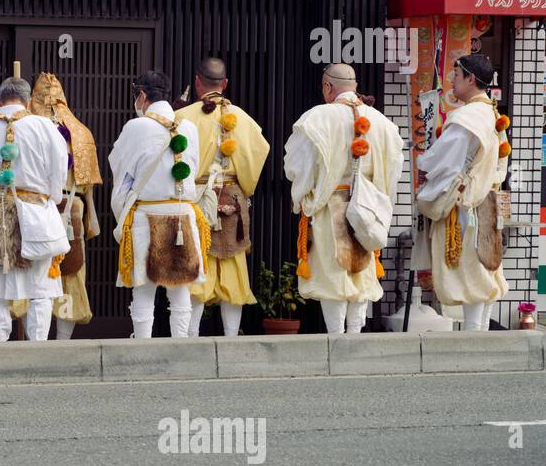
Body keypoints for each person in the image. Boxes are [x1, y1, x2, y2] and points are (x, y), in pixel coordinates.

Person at [284, 63, 403, 334]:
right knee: (361, 273)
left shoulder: (317, 117)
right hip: (368, 206)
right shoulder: (382, 122)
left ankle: (336, 336)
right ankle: (355, 335)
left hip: (330, 203)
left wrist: (304, 195)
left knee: (332, 274)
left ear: (327, 86)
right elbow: (395, 165)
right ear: (355, 86)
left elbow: (296, 165)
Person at [0, 76, 69, 342]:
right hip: (37, 211)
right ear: (29, 101)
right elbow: (59, 171)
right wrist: (51, 197)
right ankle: (38, 346)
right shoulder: (45, 127)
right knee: (40, 288)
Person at [175, 58, 270, 337]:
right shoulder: (242, 117)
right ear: (225, 84)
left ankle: (189, 338)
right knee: (233, 267)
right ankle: (231, 337)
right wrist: (245, 188)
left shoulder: (184, 117)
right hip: (232, 198)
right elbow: (260, 150)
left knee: (195, 265)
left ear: (197, 82)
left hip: (196, 195)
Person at [416, 54, 510, 331]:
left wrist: (423, 164)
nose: (452, 81)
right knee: (483, 267)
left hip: (466, 205)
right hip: (487, 202)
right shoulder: (492, 114)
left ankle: (472, 335)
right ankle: (478, 330)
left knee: (470, 270)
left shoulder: (468, 117)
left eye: (456, 75)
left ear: (471, 78)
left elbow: (440, 160)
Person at [110, 70, 206, 338]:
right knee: (181, 289)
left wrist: (121, 211)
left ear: (142, 95)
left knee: (143, 287)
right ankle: (181, 344)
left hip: (147, 212)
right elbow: (195, 169)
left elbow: (120, 173)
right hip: (183, 211)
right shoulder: (189, 127)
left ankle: (143, 345)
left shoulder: (136, 127)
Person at [9, 73, 102, 340]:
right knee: (69, 276)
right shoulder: (81, 132)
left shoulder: (22, 129)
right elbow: (89, 187)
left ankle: (33, 339)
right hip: (71, 209)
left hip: (31, 205)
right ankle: (61, 341)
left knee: (30, 273)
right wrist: (91, 219)